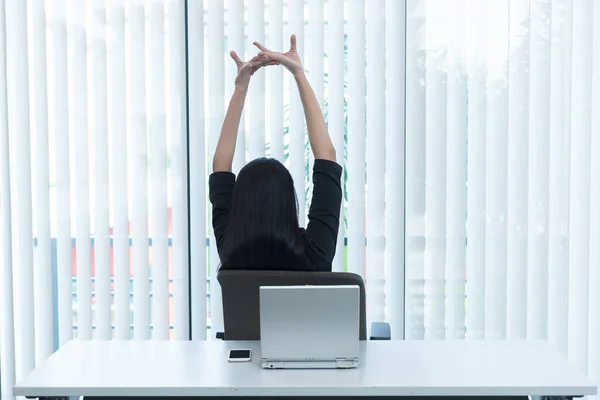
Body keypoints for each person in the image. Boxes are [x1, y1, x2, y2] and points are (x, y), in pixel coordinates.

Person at [209, 34, 342, 272]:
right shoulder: (316, 254)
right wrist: (298, 74)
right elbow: (327, 157)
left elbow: (220, 165)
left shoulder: (230, 250)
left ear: (241, 202)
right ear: (287, 202)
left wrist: (241, 88)